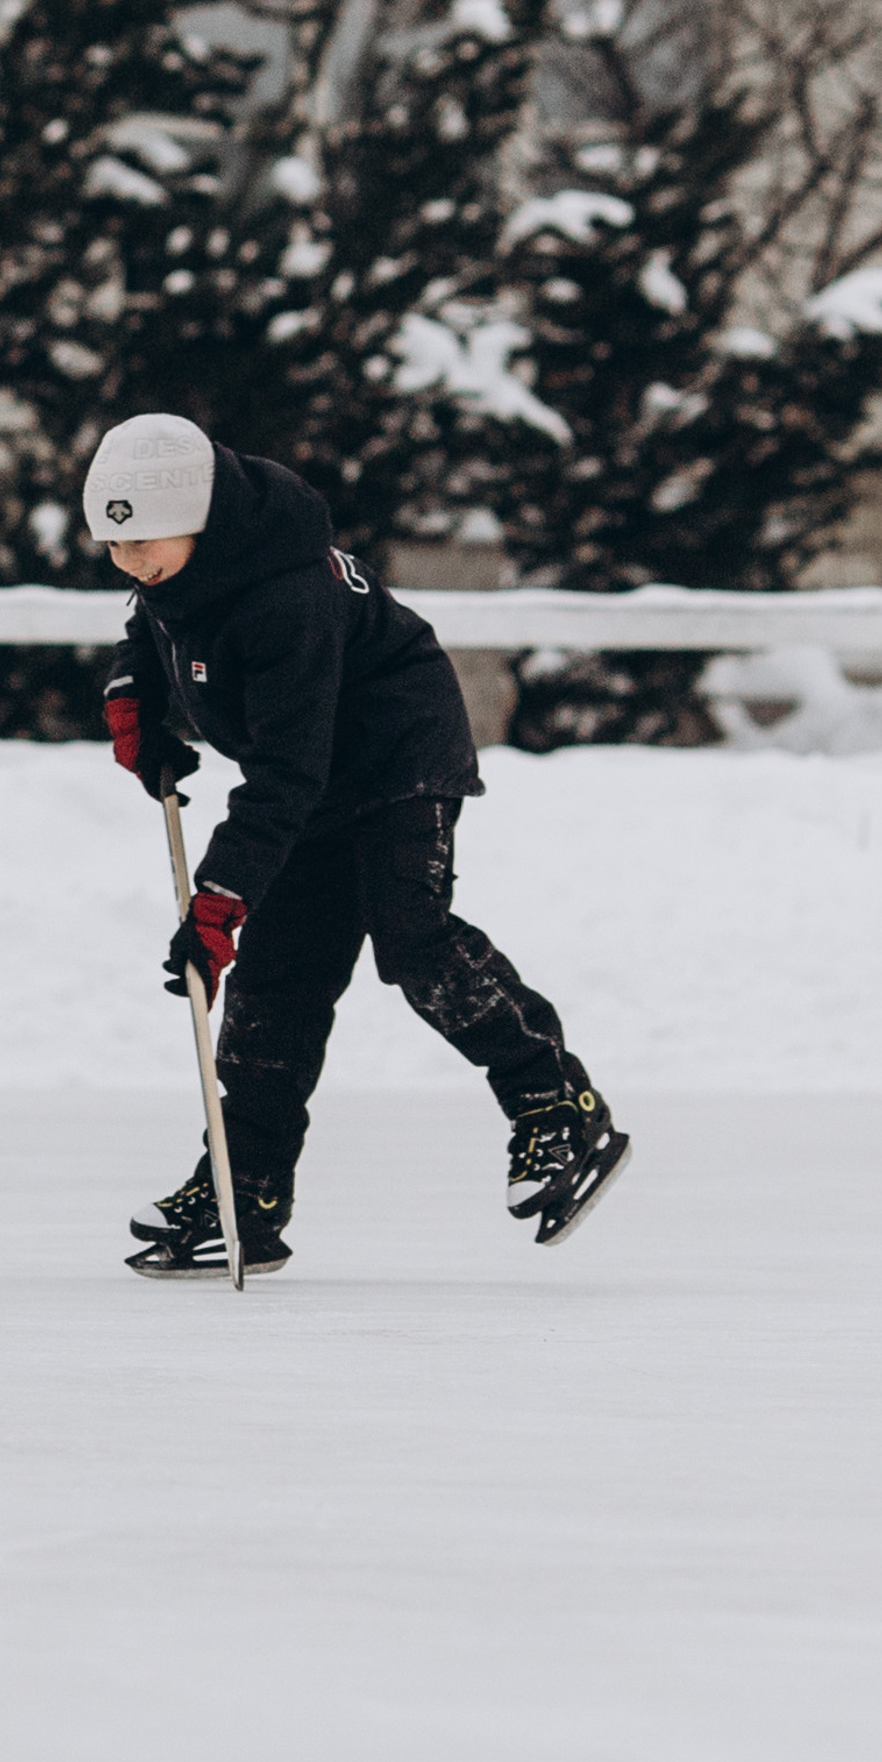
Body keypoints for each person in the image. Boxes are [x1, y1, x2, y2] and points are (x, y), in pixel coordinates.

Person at [91, 412, 628, 1279]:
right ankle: (249, 1186)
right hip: (310, 774)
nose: (129, 564)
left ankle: (555, 1103)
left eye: (140, 543)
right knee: (277, 982)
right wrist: (133, 691)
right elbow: (158, 626)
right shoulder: (182, 565)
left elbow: (282, 778)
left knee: (410, 934)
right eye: (112, 547)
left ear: (201, 515)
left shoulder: (284, 596)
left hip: (395, 757)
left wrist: (221, 900)